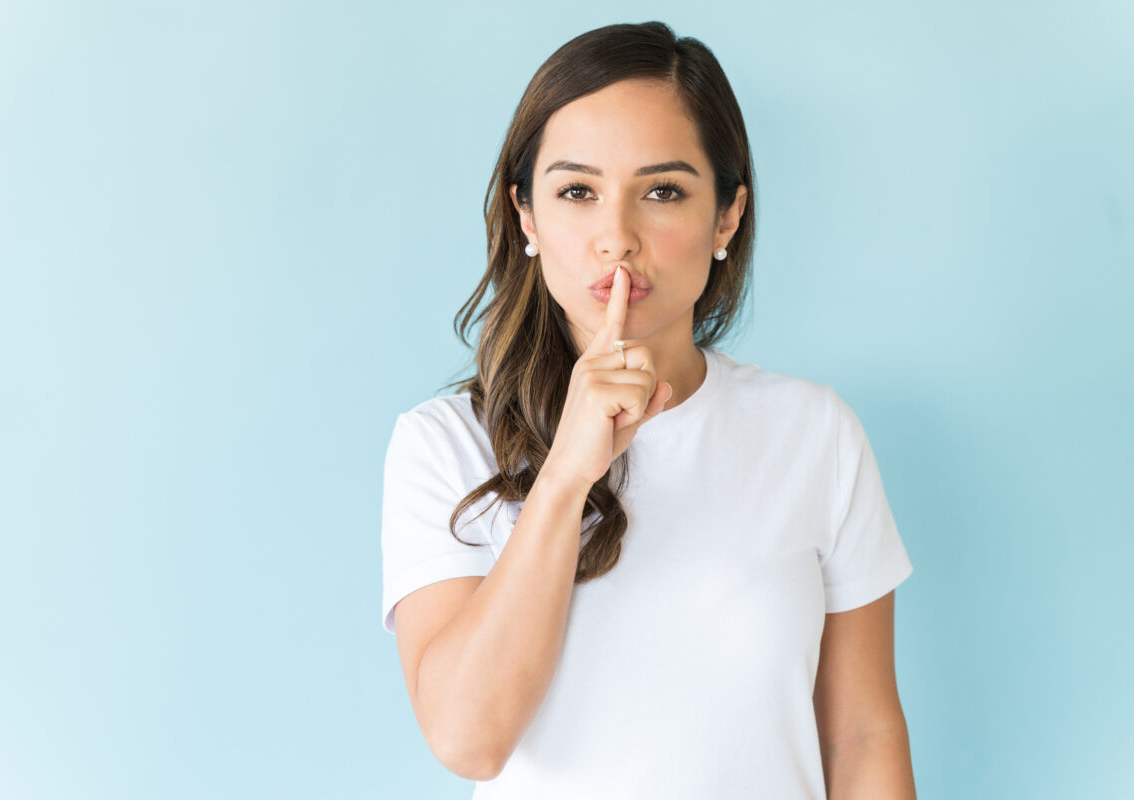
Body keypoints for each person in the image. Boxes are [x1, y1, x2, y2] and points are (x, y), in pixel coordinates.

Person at [379, 20, 916, 799]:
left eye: (662, 191)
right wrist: (565, 475)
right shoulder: (444, 447)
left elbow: (862, 733)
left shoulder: (815, 434)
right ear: (527, 216)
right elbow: (468, 739)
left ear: (726, 216)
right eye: (577, 192)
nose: (616, 237)